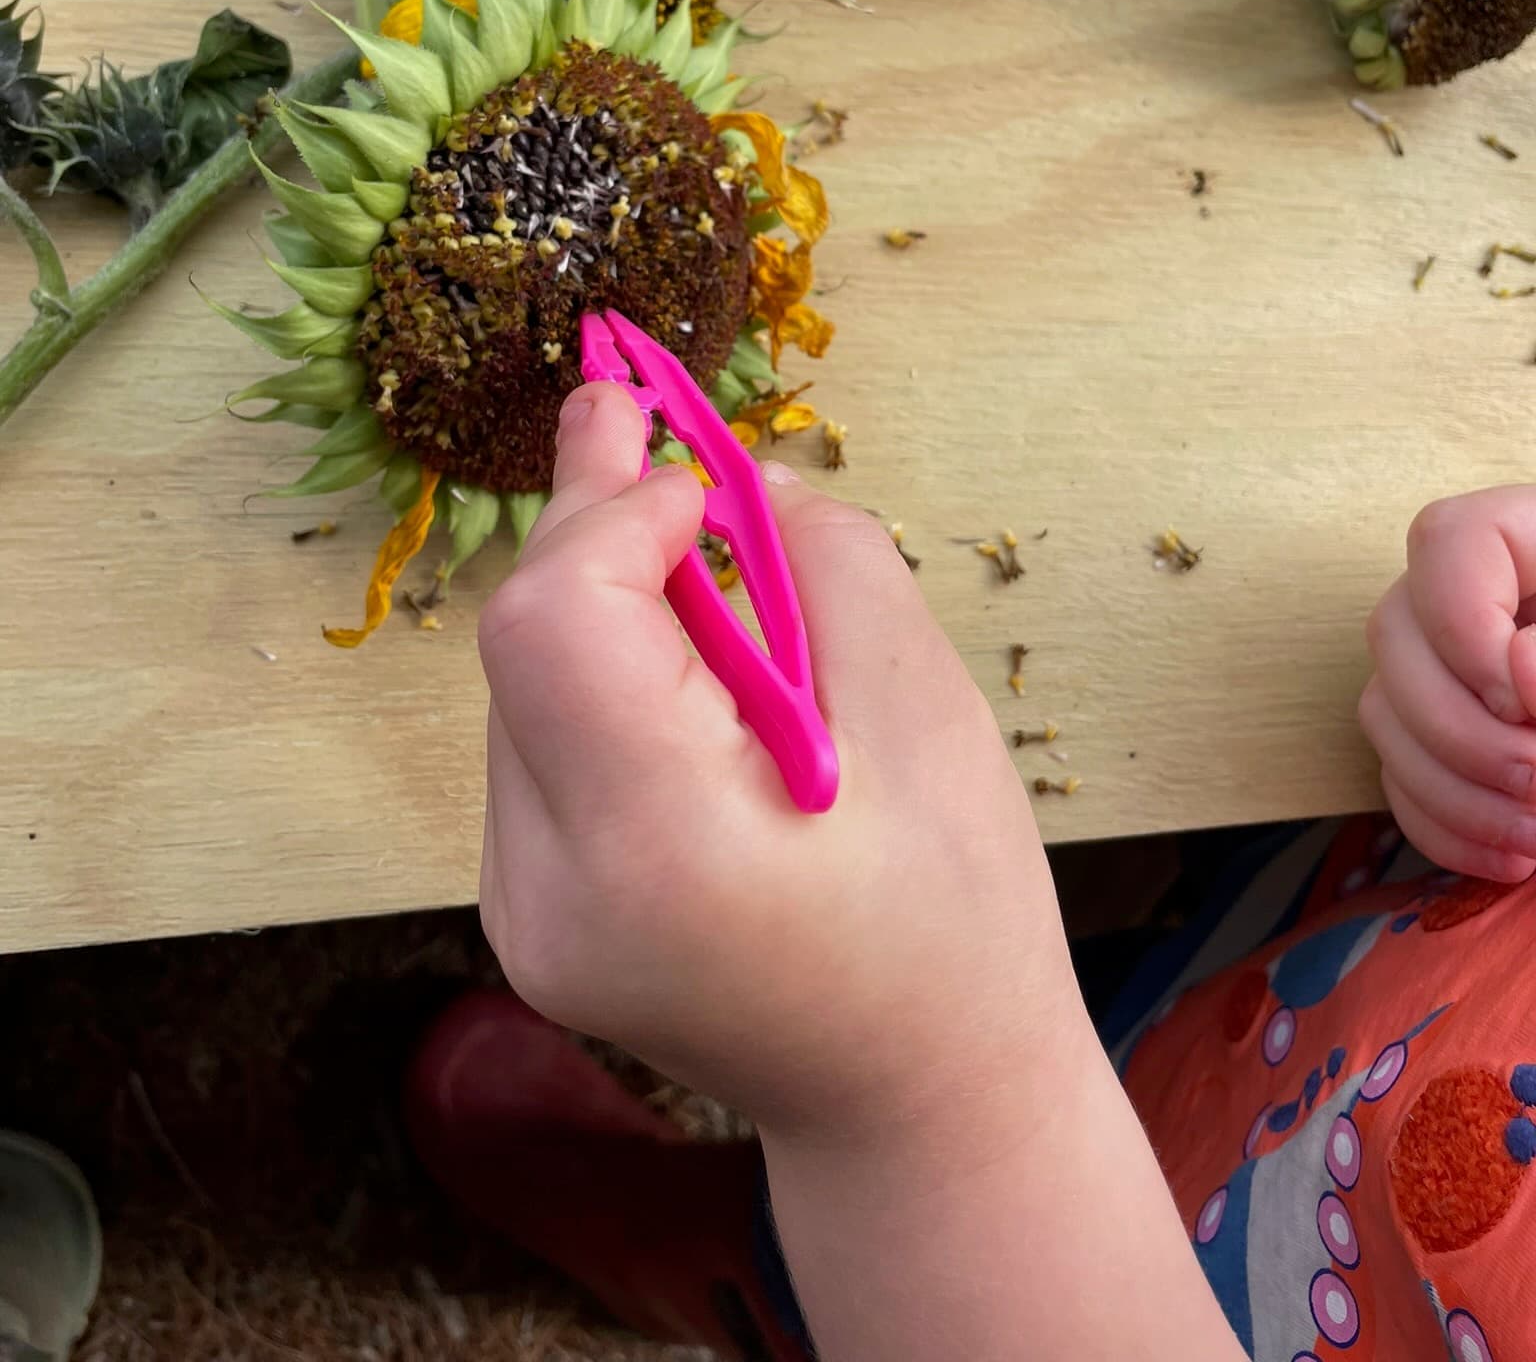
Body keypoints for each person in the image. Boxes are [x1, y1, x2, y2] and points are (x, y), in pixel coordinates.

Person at [407, 385, 1536, 1360]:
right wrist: (1493, 680)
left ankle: (739, 1278)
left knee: (848, 1231)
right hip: (1340, 968)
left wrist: (905, 1111)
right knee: (1129, 1006)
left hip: (1090, 1295)